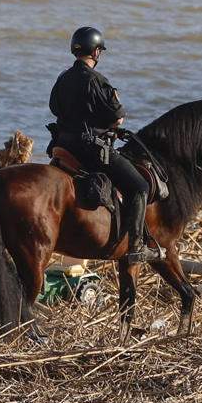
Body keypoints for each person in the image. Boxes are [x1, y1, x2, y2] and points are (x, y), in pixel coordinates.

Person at [49, 26, 154, 262]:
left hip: (63, 148)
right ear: (96, 52)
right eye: (99, 51)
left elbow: (54, 108)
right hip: (91, 151)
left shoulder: (62, 78)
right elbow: (117, 116)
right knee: (140, 187)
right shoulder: (97, 80)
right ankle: (137, 247)